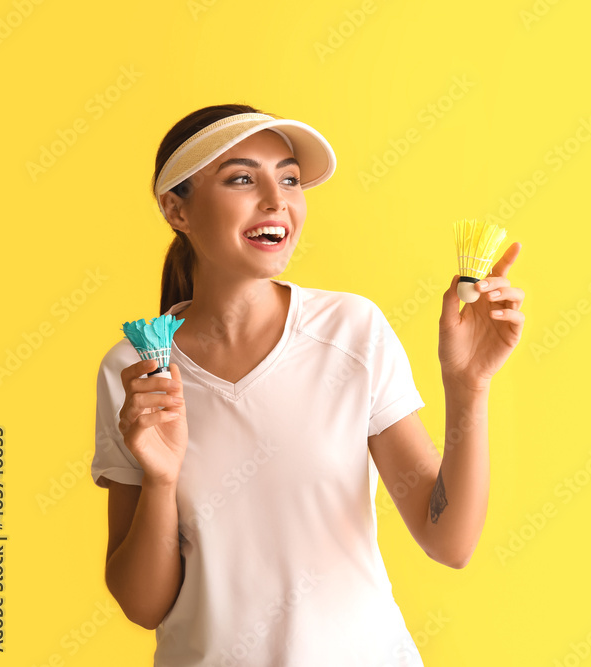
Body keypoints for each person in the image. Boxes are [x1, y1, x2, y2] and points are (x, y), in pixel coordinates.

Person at [90, 103, 525, 665]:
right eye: (243, 178)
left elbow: (450, 541)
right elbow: (143, 606)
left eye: (289, 179)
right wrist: (160, 479)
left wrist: (468, 387)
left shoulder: (352, 330)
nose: (277, 200)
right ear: (177, 209)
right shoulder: (136, 369)